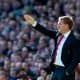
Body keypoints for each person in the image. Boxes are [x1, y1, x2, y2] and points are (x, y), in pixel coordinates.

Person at [24, 15, 80, 80]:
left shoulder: (74, 39)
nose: (58, 25)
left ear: (67, 25)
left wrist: (68, 71)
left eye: (60, 24)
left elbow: (76, 57)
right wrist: (34, 23)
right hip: (55, 69)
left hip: (65, 70)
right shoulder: (58, 35)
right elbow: (45, 31)